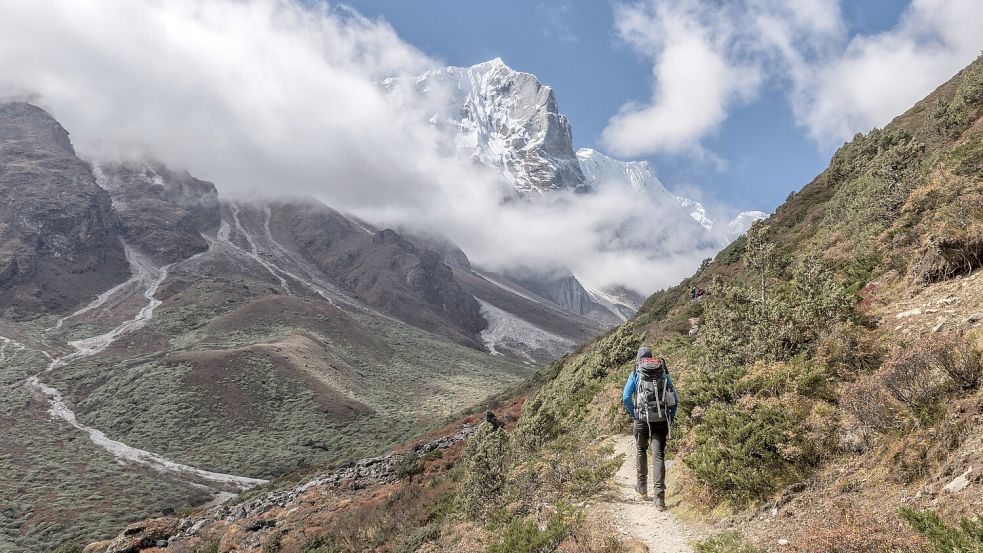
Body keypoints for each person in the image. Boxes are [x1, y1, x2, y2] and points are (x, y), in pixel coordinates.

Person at [622, 346, 678, 510]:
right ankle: (659, 499)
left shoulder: (636, 373)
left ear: (639, 359)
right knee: (658, 455)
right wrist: (670, 417)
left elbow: (626, 397)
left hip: (641, 419)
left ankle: (642, 488)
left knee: (641, 450)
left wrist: (635, 414)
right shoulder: (662, 372)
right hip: (661, 419)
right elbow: (674, 398)